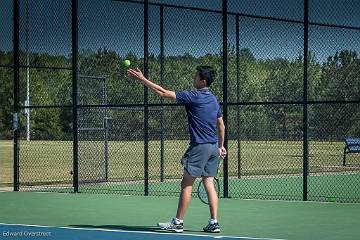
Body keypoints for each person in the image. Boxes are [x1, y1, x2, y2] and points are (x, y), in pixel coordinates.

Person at [127, 65, 226, 233]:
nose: (193, 78)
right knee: (209, 183)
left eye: (196, 76)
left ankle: (178, 222)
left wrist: (142, 79)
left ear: (202, 81)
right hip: (212, 147)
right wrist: (221, 146)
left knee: (186, 184)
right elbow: (221, 125)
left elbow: (163, 93)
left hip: (200, 147)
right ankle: (214, 222)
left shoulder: (193, 96)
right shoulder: (214, 100)